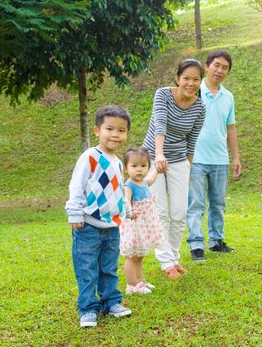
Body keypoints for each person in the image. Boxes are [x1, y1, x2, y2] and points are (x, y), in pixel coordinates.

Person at [65, 105, 132, 328]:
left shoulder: (118, 161)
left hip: (112, 225)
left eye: (121, 131)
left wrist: (126, 210)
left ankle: (111, 302)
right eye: (109, 129)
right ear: (97, 131)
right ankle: (88, 308)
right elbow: (76, 186)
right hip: (88, 225)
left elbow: (118, 189)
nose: (115, 134)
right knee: (87, 268)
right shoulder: (90, 157)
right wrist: (74, 212)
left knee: (108, 267)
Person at [142, 59, 206, 279]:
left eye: (196, 79)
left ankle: (174, 257)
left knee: (179, 212)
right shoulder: (163, 95)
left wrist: (187, 169)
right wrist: (158, 155)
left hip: (179, 160)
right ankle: (165, 262)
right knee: (161, 211)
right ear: (177, 78)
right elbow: (160, 124)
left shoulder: (199, 107)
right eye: (186, 78)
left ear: (200, 82)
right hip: (152, 156)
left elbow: (192, 139)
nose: (190, 83)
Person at [186, 50, 242, 262]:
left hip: (220, 159)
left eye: (225, 67)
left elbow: (231, 128)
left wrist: (235, 157)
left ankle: (217, 241)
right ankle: (196, 244)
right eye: (216, 65)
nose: (220, 70)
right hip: (195, 158)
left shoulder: (228, 97)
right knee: (196, 203)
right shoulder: (194, 90)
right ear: (207, 66)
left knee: (218, 203)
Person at [119, 147, 164, 294]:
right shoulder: (129, 186)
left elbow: (151, 179)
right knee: (132, 256)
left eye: (143, 166)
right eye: (134, 166)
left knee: (140, 255)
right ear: (126, 169)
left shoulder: (144, 182)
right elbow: (125, 200)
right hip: (135, 225)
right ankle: (131, 285)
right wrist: (130, 210)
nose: (139, 170)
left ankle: (139, 281)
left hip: (145, 225)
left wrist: (157, 170)